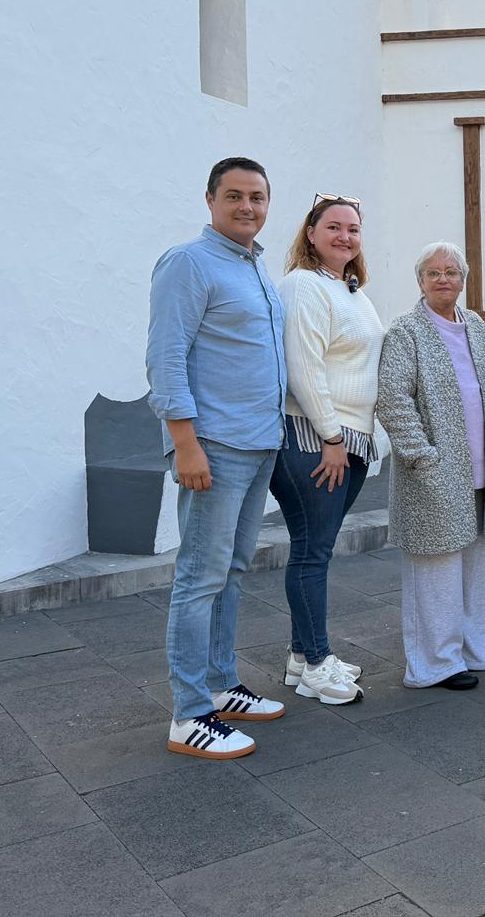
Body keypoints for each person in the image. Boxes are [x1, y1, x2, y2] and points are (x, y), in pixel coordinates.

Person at [147, 156, 288, 760]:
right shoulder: (188, 263)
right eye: (234, 196)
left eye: (257, 197)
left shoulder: (255, 269)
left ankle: (221, 684)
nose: (247, 207)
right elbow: (166, 357)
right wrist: (185, 443)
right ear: (210, 201)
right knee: (199, 577)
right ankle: (189, 714)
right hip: (215, 445)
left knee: (230, 570)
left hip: (259, 442)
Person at [377, 243, 485, 689]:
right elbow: (393, 400)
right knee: (435, 570)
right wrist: (421, 456)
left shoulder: (475, 325)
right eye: (433, 273)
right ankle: (435, 663)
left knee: (471, 567)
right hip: (432, 473)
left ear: (464, 279)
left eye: (452, 272)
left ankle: (469, 651)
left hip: (478, 469)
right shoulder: (406, 332)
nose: (443, 280)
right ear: (420, 281)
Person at [268, 193, 384, 707]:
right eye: (333, 227)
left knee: (314, 550)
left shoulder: (353, 290)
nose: (344, 236)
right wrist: (332, 437)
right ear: (311, 233)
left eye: (353, 228)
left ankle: (300, 655)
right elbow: (304, 366)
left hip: (348, 440)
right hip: (315, 439)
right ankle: (316, 664)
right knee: (312, 553)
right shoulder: (303, 285)